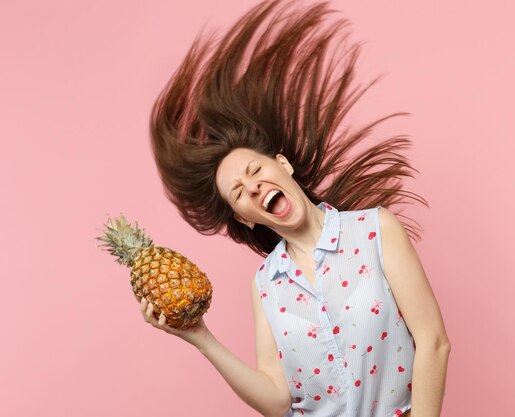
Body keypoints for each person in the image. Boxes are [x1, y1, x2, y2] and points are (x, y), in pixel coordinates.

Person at [142, 1, 451, 416]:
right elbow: (276, 398)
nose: (252, 187)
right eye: (238, 194)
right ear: (244, 217)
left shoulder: (376, 230)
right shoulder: (266, 285)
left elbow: (433, 341)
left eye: (255, 170)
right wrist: (200, 336)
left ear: (283, 165)